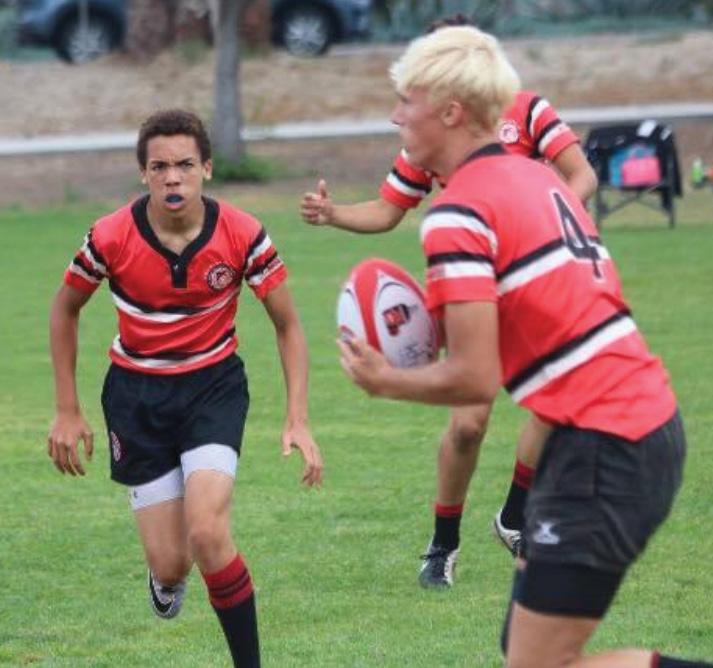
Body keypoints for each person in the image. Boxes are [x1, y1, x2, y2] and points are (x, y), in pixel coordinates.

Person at [338, 25, 710, 668]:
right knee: (525, 651)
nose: (396, 116)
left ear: (450, 111)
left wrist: (385, 379)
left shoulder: (459, 212)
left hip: (607, 442)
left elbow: (475, 377)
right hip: (627, 427)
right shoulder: (536, 178)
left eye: (406, 100)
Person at [301, 17, 598, 589]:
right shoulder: (432, 142)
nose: (400, 113)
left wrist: (539, 228)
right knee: (468, 424)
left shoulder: (527, 111)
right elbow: (389, 210)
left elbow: (580, 177)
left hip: (534, 281)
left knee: (556, 402)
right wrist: (334, 214)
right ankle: (443, 543)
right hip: (475, 282)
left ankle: (515, 516)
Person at [47, 109, 323, 668]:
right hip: (136, 398)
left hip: (211, 390)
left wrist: (297, 418)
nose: (173, 177)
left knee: (208, 532)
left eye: (185, 165)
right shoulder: (110, 236)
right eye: (160, 167)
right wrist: (67, 409)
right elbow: (64, 308)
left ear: (207, 169)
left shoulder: (243, 234)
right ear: (143, 174)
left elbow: (289, 326)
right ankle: (166, 579)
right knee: (172, 563)